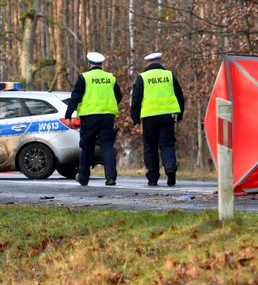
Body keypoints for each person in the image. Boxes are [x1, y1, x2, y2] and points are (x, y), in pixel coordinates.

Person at [64, 52, 122, 186]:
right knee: (107, 146)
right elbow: (118, 96)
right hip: (107, 117)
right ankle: (111, 177)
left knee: (87, 147)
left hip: (89, 118)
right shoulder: (110, 78)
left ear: (89, 64)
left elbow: (75, 97)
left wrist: (68, 115)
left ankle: (83, 178)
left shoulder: (84, 78)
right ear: (101, 64)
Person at [131, 52, 185, 186]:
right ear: (160, 62)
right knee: (167, 144)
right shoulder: (169, 75)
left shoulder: (142, 77)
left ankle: (153, 177)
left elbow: (136, 99)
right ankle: (170, 168)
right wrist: (179, 115)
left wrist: (135, 119)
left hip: (149, 117)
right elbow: (179, 96)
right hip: (167, 116)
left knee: (150, 147)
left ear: (147, 63)